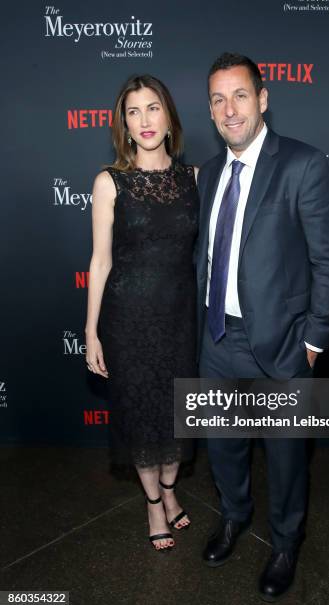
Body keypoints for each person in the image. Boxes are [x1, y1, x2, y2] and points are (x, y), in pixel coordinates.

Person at [196, 53, 329, 601]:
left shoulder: (304, 165)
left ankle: (286, 541)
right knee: (224, 447)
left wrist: (312, 342)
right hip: (217, 339)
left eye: (239, 95)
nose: (229, 109)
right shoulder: (209, 173)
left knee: (285, 455)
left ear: (263, 99)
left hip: (281, 346)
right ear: (209, 110)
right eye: (217, 99)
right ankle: (233, 515)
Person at [84, 75, 199, 552]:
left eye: (153, 108)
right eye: (133, 111)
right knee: (140, 412)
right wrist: (91, 331)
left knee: (175, 414)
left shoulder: (195, 180)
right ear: (124, 124)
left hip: (179, 318)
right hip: (127, 319)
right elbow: (100, 261)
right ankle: (153, 502)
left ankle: (171, 492)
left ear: (169, 117)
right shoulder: (110, 182)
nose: (144, 120)